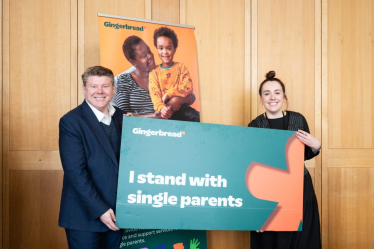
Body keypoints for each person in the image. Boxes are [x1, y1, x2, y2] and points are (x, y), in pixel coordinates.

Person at [248, 71, 321, 249]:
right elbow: (250, 168)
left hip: (300, 190)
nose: (272, 97)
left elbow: (305, 154)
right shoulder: (254, 126)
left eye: (277, 92)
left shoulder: (298, 119)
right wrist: (258, 212)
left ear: (284, 96)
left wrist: (316, 145)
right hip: (269, 194)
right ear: (261, 98)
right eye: (267, 93)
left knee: (302, 241)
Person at [58, 66, 124, 249]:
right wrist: (100, 210)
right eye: (94, 86)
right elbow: (76, 172)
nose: (100, 92)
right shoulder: (71, 121)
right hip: (84, 217)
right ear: (84, 89)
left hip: (118, 215)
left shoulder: (120, 116)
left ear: (113, 88)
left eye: (105, 86)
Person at [114, 35, 195, 120]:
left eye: (149, 51)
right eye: (144, 55)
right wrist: (157, 115)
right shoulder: (124, 80)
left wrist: (178, 100)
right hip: (142, 129)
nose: (150, 56)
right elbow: (124, 117)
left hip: (174, 125)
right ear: (133, 61)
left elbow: (191, 96)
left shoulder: (162, 71)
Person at [149, 27, 200, 122]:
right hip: (163, 112)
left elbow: (188, 87)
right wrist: (162, 108)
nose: (164, 52)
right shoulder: (154, 72)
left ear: (174, 49)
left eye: (168, 48)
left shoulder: (181, 67)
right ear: (156, 48)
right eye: (161, 48)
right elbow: (154, 95)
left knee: (198, 118)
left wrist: (169, 94)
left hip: (183, 110)